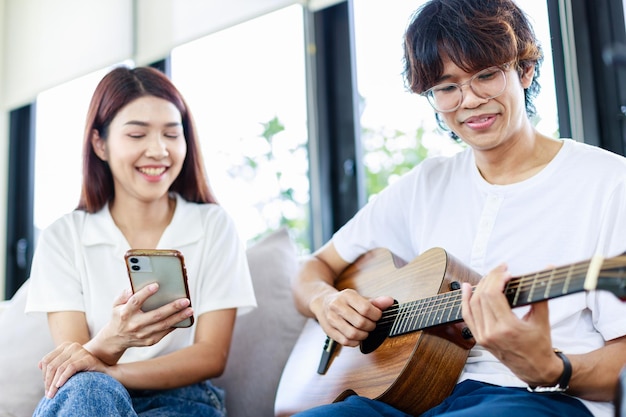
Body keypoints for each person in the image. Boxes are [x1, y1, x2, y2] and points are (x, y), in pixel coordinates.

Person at [291, 1, 626, 416]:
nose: (469, 100)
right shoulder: (424, 185)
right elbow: (311, 270)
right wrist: (327, 303)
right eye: (447, 87)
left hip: (540, 401)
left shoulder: (610, 183)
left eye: (486, 75)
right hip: (414, 396)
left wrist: (552, 368)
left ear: (525, 69)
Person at [25, 66, 257, 416]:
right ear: (100, 144)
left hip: (182, 400)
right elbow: (72, 360)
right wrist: (115, 338)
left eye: (171, 134)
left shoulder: (213, 225)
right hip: (89, 396)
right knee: (88, 389)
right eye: (137, 135)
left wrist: (111, 369)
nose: (159, 150)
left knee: (91, 383)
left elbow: (212, 355)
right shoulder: (63, 236)